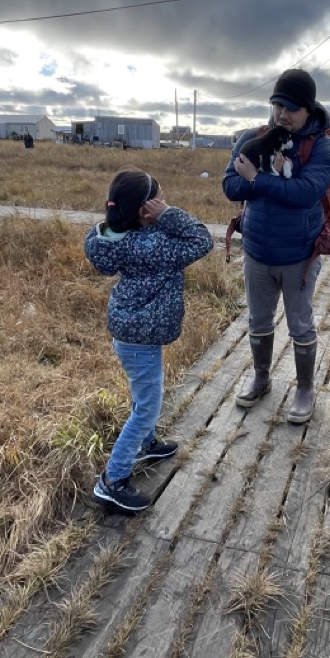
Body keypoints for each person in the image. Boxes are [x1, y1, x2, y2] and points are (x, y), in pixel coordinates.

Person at [84, 168, 213, 514]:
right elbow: (202, 239)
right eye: (159, 197)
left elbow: (96, 240)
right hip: (140, 339)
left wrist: (149, 217)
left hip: (129, 332)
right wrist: (168, 215)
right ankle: (112, 481)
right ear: (146, 209)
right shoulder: (154, 245)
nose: (165, 201)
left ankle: (148, 444)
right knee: (147, 406)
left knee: (144, 395)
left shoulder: (110, 237)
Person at [223, 68, 330, 423]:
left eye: (291, 108)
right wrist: (267, 181)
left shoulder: (322, 147)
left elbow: (304, 195)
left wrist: (257, 178)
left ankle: (304, 389)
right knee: (258, 319)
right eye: (277, 105)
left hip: (298, 255)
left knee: (300, 325)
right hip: (256, 250)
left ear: (309, 109)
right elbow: (230, 187)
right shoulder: (252, 137)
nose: (282, 114)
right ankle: (261, 377)